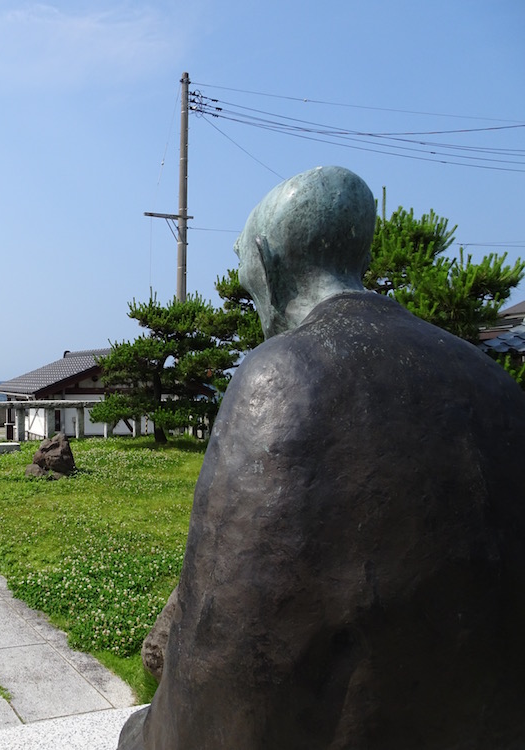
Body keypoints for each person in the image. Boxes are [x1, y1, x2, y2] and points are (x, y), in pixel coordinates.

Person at [119, 166, 525, 749]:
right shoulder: (493, 381)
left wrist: (143, 732)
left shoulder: (282, 377)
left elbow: (226, 674)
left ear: (267, 263)